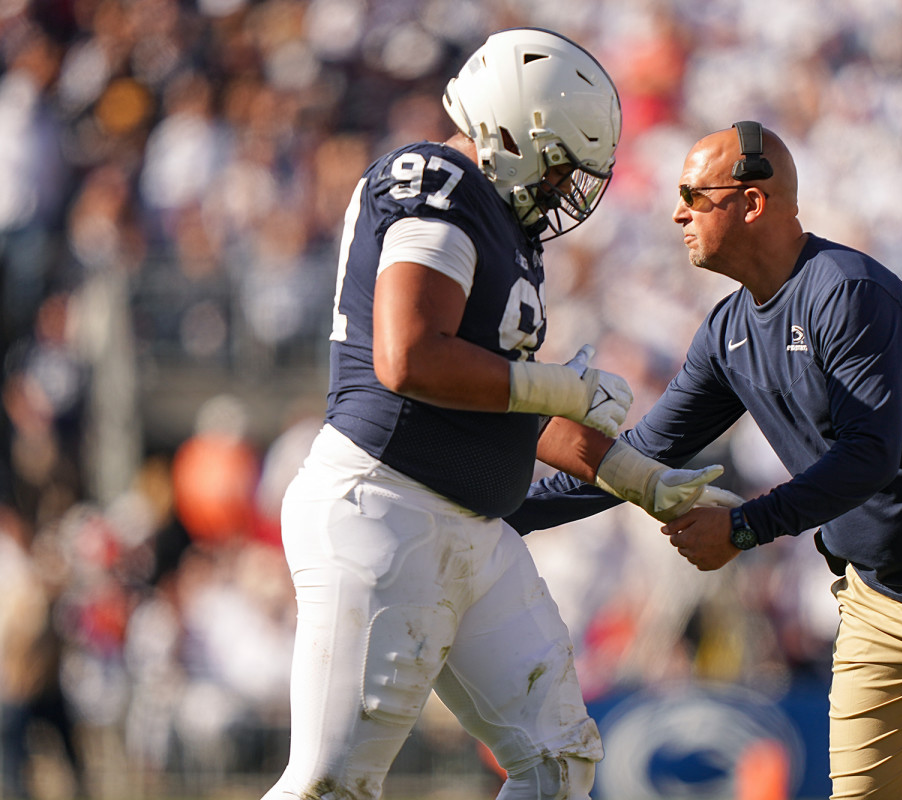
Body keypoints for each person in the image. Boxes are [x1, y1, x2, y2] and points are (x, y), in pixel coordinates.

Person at [506, 123, 902, 800]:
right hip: (879, 599)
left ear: (752, 203)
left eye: (694, 192)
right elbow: (641, 455)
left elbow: (868, 457)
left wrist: (745, 529)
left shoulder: (846, 290)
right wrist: (505, 511)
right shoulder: (728, 331)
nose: (677, 210)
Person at [259, 28, 731, 800]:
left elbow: (504, 402)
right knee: (332, 783)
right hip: (386, 506)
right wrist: (557, 386)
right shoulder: (437, 180)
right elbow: (410, 356)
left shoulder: (501, 225)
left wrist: (644, 480)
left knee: (559, 758)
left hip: (473, 529)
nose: (557, 195)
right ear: (509, 129)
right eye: (556, 170)